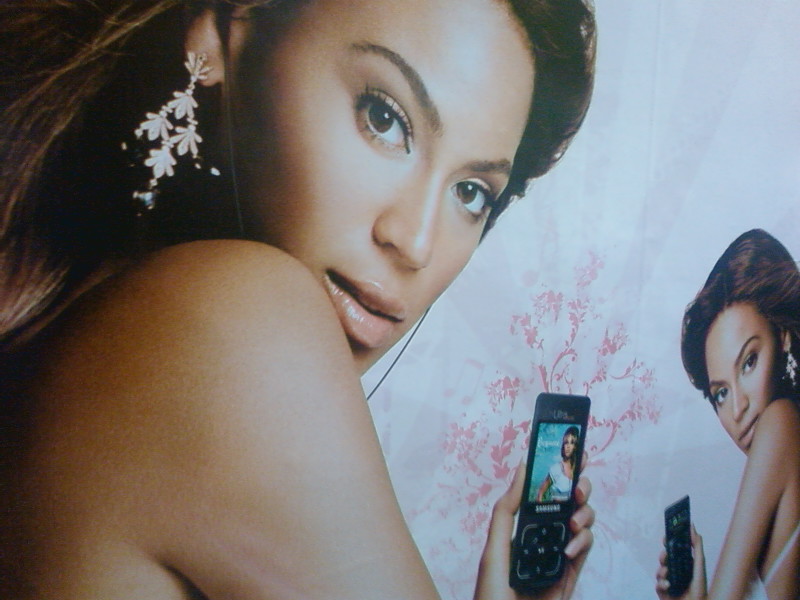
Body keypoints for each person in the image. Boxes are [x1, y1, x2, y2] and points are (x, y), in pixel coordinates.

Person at [0, 0, 597, 598]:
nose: (416, 243)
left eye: (470, 192)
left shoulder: (91, 315)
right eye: (384, 118)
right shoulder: (236, 322)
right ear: (222, 33)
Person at [655, 229, 800, 600]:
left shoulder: (780, 421)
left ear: (783, 336)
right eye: (720, 393)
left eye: (749, 362)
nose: (738, 409)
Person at [536, 426, 579, 502]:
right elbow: (540, 492)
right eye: (566, 442)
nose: (568, 446)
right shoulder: (556, 469)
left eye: (572, 443)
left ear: (575, 446)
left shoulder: (578, 468)